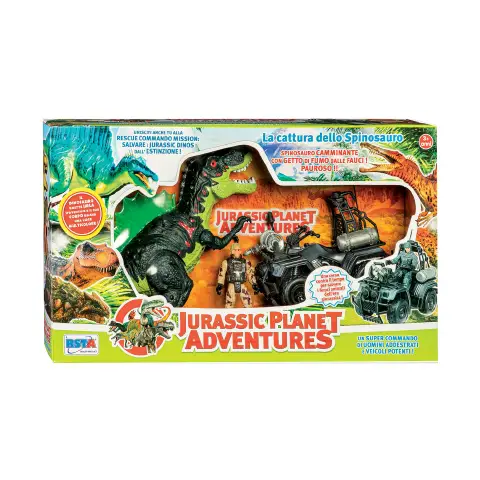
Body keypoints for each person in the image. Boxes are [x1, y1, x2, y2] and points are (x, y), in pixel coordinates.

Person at [216, 243, 259, 307]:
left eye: (239, 250)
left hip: (241, 284)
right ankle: (228, 312)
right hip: (231, 284)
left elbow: (250, 272)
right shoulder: (226, 262)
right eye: (235, 250)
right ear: (232, 251)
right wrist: (220, 284)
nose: (237, 251)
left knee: (248, 301)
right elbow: (222, 273)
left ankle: (248, 312)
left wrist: (254, 284)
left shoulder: (245, 262)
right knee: (230, 302)